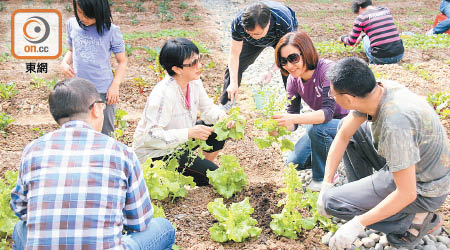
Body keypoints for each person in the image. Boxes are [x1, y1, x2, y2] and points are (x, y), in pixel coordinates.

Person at [10, 78, 175, 250]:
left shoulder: (33, 150)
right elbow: (139, 222)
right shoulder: (121, 152)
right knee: (163, 229)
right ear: (96, 109)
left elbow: (20, 208)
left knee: (20, 229)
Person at [315, 57, 449, 249]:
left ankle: (413, 221)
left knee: (333, 203)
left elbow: (407, 192)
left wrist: (357, 223)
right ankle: (367, 199)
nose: (330, 95)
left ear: (349, 99)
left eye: (333, 93)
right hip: (412, 165)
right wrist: (326, 184)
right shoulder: (377, 91)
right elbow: (344, 135)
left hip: (424, 190)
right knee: (348, 127)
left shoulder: (395, 124)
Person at [133, 38, 234, 186]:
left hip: (179, 142)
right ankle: (180, 174)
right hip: (154, 153)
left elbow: (208, 109)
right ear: (177, 69)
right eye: (193, 63)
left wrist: (222, 117)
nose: (200, 66)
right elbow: (150, 136)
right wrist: (188, 133)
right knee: (213, 175)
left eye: (199, 59)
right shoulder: (164, 94)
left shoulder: (194, 82)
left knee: (218, 130)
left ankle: (194, 169)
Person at [271, 32, 349, 192]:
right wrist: (279, 126)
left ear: (306, 52)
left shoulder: (327, 70)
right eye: (283, 61)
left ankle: (324, 178)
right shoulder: (293, 80)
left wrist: (293, 117)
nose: (289, 66)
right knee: (293, 162)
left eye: (293, 58)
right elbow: (293, 119)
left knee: (317, 128)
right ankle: (331, 152)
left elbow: (327, 113)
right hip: (324, 127)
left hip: (350, 123)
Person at [61, 0, 128, 136]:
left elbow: (122, 62)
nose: (83, 18)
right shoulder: (72, 24)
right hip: (79, 89)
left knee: (105, 131)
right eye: (80, 12)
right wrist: (64, 63)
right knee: (79, 129)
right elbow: (72, 50)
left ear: (100, 12)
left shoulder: (111, 31)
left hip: (104, 91)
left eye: (89, 15)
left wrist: (115, 86)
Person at [220, 1, 298, 109]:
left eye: (256, 33)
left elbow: (287, 54)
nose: (253, 36)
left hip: (279, 36)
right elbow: (234, 55)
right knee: (234, 67)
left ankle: (294, 107)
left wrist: (271, 71)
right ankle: (226, 105)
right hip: (252, 42)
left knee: (288, 66)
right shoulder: (238, 23)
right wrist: (233, 83)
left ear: (268, 24)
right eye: (249, 33)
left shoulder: (283, 22)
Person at [338, 0, 404, 65]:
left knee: (365, 39)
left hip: (381, 58)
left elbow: (351, 42)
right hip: (399, 55)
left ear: (360, 7)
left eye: (358, 12)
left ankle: (373, 64)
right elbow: (379, 28)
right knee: (366, 36)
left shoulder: (361, 18)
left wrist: (342, 38)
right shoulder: (386, 10)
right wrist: (361, 36)